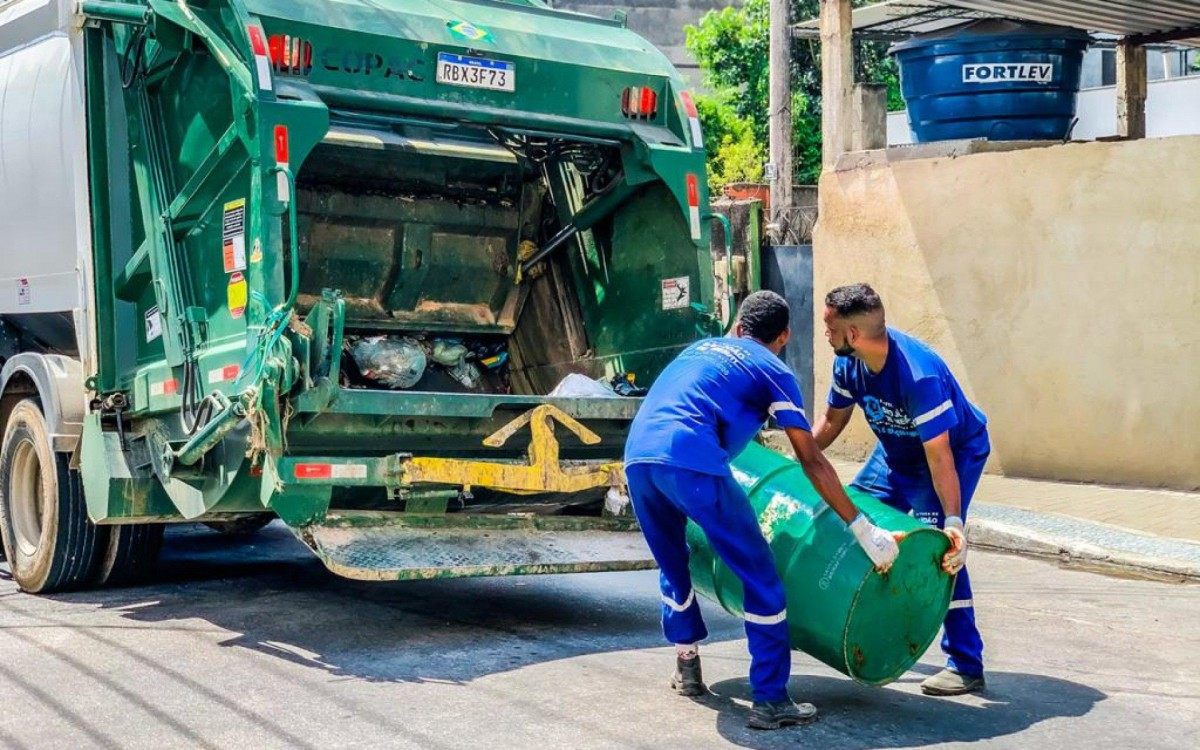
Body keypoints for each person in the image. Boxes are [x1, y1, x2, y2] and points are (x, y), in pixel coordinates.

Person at [624, 290, 902, 730]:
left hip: (637, 458)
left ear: (737, 326)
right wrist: (861, 525)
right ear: (784, 336)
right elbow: (810, 457)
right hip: (693, 460)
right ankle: (771, 700)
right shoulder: (773, 369)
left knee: (674, 562)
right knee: (761, 578)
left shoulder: (699, 349)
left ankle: (687, 668)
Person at [813, 283, 990, 696]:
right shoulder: (848, 364)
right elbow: (832, 423)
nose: (825, 334)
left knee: (938, 551)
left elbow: (940, 456)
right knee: (855, 520)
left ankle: (966, 663)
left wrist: (953, 523)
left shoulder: (918, 374)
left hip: (950, 453)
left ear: (853, 334)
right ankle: (871, 623)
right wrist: (795, 457)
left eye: (829, 327)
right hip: (896, 452)